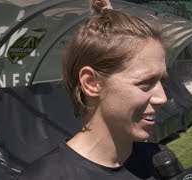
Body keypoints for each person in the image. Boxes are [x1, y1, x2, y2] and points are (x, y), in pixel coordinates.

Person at [17, 0, 171, 179]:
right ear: (91, 83)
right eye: (145, 82)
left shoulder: (159, 160)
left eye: (162, 81)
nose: (163, 98)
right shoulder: (46, 176)